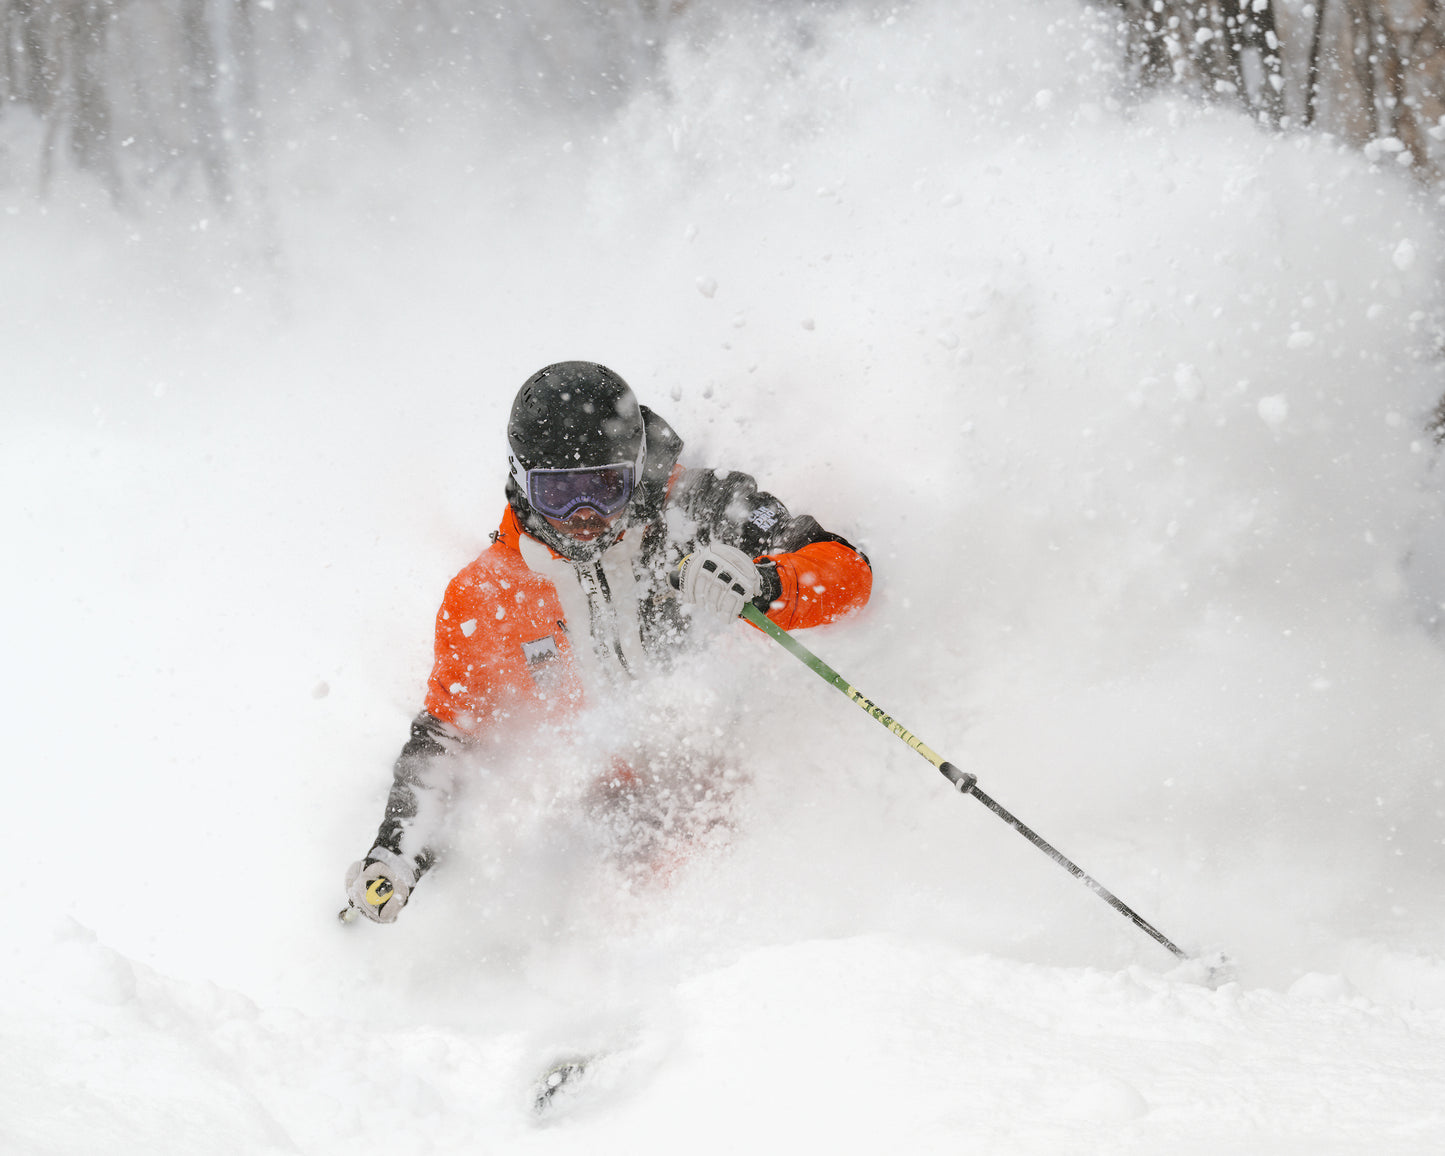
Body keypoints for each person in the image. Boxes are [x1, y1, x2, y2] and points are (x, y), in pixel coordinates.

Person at [342, 361, 872, 922]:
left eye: (604, 487)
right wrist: (398, 850)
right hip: (615, 812)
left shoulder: (700, 510)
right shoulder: (489, 595)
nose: (584, 517)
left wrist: (767, 583)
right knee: (587, 906)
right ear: (522, 481)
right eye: (558, 494)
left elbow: (849, 572)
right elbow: (449, 736)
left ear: (637, 468)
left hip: (747, 771)